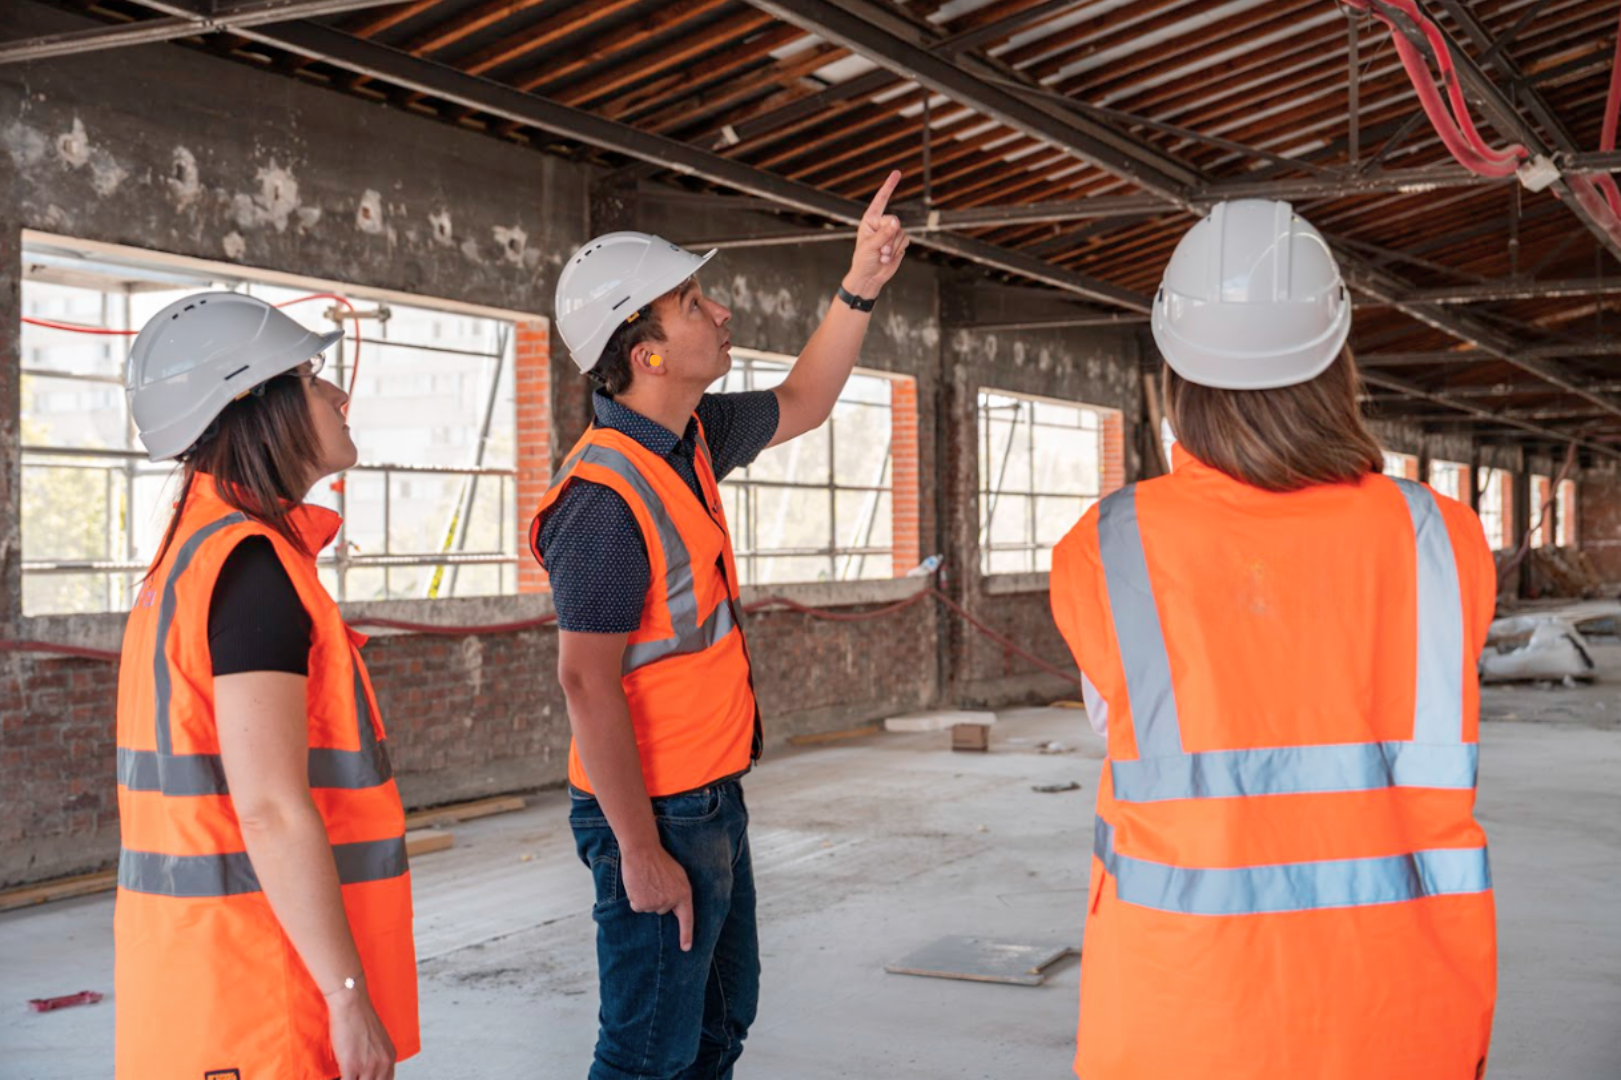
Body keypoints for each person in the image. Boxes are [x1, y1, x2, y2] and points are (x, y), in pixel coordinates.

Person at [1051, 200, 1496, 1080]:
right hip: (1404, 1006)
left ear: (1175, 367)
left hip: (1179, 1015)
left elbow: (1123, 724)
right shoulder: (1441, 537)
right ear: (1335, 354)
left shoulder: (1108, 547)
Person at [530, 172, 910, 1079]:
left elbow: (805, 401)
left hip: (709, 793)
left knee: (716, 1026)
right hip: (655, 810)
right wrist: (638, 851)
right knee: (646, 1050)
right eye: (692, 304)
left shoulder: (688, 438)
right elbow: (585, 683)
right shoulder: (603, 500)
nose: (720, 310)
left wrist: (858, 284)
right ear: (646, 353)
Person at [115, 292, 418, 1080]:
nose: (339, 395)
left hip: (193, 983)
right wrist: (348, 997)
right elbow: (272, 807)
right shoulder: (250, 569)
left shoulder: (190, 558)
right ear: (257, 403)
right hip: (264, 994)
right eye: (316, 379)